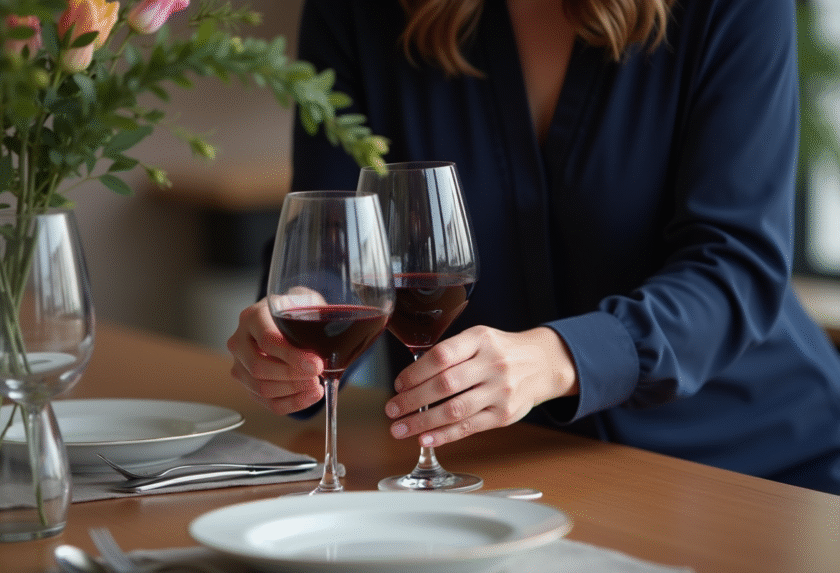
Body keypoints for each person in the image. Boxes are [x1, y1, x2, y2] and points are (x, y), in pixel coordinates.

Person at [227, 0, 840, 494]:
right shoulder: (360, 13)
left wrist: (559, 358)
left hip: (757, 467)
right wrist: (290, 339)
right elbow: (334, 246)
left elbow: (737, 265)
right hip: (501, 474)